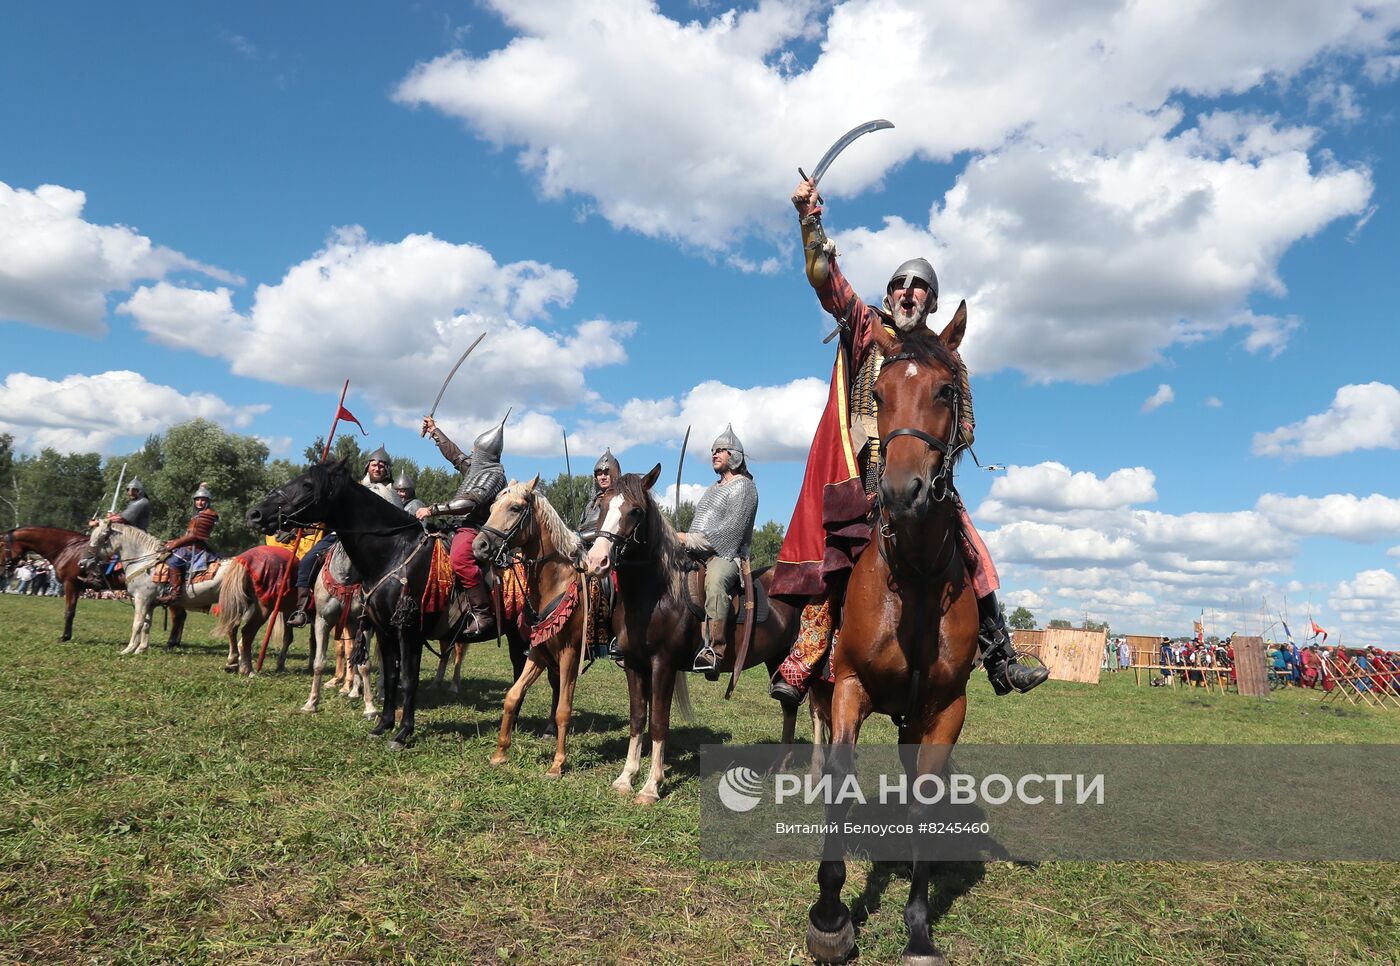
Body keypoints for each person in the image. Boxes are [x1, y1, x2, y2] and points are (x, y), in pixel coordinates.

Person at [768, 177, 1047, 709]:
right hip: (868, 474)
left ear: (932, 301)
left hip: (928, 478)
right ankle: (806, 658)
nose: (908, 292)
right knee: (837, 556)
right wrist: (810, 223)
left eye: (920, 288)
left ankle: (998, 650)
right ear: (890, 292)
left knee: (974, 554)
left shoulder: (948, 357)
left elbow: (965, 428)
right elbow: (826, 281)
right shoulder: (865, 325)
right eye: (901, 283)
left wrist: (937, 457)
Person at [677, 425, 759, 679]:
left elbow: (728, 533)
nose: (715, 454)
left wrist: (687, 538)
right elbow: (700, 525)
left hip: (726, 554)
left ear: (735, 455)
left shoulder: (743, 487)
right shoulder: (713, 489)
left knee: (715, 581)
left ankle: (715, 650)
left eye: (721, 450)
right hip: (698, 551)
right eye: (713, 450)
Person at [417, 413, 509, 638]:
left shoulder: (494, 475)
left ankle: (482, 614)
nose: (472, 452)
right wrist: (434, 431)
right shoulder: (477, 468)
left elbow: (470, 502)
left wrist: (433, 509)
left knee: (460, 557)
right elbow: (455, 455)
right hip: (457, 526)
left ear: (484, 453)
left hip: (476, 527)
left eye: (476, 450)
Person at [288, 446, 400, 626]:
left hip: (375, 544)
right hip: (341, 536)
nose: (377, 468)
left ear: (387, 469)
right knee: (308, 561)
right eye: (374, 464)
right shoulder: (353, 488)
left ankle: (377, 610)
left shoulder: (392, 493)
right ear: (367, 467)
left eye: (381, 465)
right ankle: (303, 608)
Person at [579, 449, 622, 658]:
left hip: (611, 556)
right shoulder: (591, 502)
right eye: (599, 473)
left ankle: (612, 636)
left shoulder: (619, 500)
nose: (602, 476)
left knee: (602, 584)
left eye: (606, 472)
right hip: (585, 553)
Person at [158, 484, 219, 604]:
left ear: (208, 501)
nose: (199, 502)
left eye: (203, 500)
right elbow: (189, 534)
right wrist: (173, 541)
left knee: (174, 561)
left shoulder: (207, 514)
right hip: (191, 544)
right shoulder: (199, 514)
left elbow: (194, 536)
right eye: (197, 500)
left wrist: (174, 544)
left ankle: (175, 594)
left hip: (196, 547)